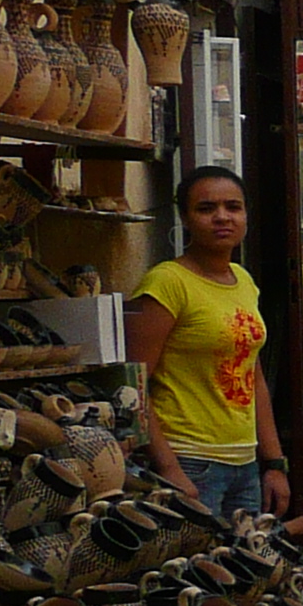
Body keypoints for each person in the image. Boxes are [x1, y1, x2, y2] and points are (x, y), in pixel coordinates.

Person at [126, 166, 289, 524]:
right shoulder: (166, 283)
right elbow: (132, 385)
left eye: (233, 207)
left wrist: (273, 462)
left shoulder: (244, 281)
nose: (222, 217)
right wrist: (168, 468)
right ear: (185, 218)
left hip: (244, 465)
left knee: (245, 569)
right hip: (190, 462)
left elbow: (254, 376)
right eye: (205, 208)